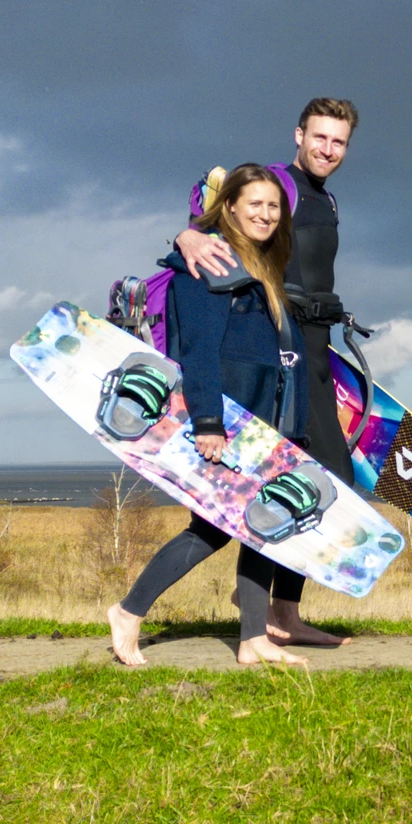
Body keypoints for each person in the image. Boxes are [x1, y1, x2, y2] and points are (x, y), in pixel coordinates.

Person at [175, 98, 357, 648]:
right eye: (319, 137)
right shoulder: (282, 183)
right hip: (286, 347)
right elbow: (217, 208)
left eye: (339, 142)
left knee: (328, 480)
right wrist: (185, 236)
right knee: (312, 481)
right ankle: (265, 609)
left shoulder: (324, 199)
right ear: (298, 134)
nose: (328, 149)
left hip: (317, 344)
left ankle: (283, 609)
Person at [110, 164, 306, 669]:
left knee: (262, 525)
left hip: (261, 415)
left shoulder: (258, 263)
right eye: (254, 203)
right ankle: (129, 611)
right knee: (212, 528)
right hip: (225, 416)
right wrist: (210, 423)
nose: (264, 213)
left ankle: (252, 640)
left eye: (273, 205)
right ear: (231, 207)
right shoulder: (208, 264)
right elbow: (197, 351)